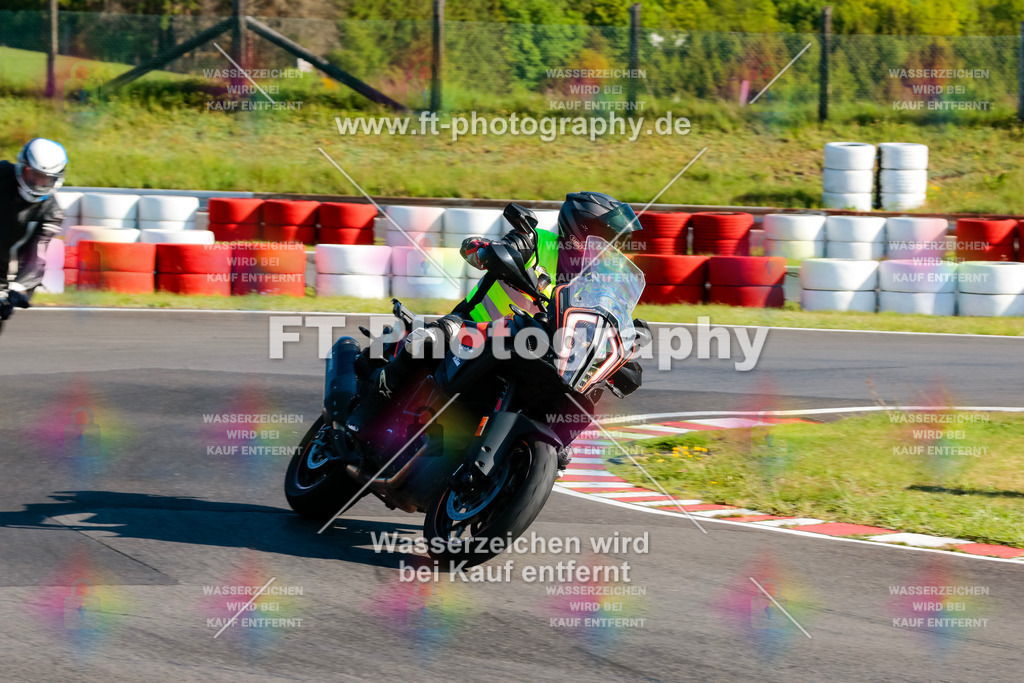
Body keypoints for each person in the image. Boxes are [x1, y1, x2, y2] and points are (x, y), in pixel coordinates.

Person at [344, 192, 646, 463]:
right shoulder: (537, 242)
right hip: (474, 326)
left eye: (616, 241)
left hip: (540, 347)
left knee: (584, 395)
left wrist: (623, 347)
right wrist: (487, 250)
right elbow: (479, 250)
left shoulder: (600, 281)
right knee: (431, 339)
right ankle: (368, 413)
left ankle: (542, 454)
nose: (613, 247)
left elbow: (607, 319)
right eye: (609, 237)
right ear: (583, 230)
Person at [0, 138, 68, 322]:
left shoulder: (51, 213)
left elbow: (36, 256)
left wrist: (18, 289)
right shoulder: (2, 173)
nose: (39, 182)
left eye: (46, 178)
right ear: (22, 167)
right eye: (34, 175)